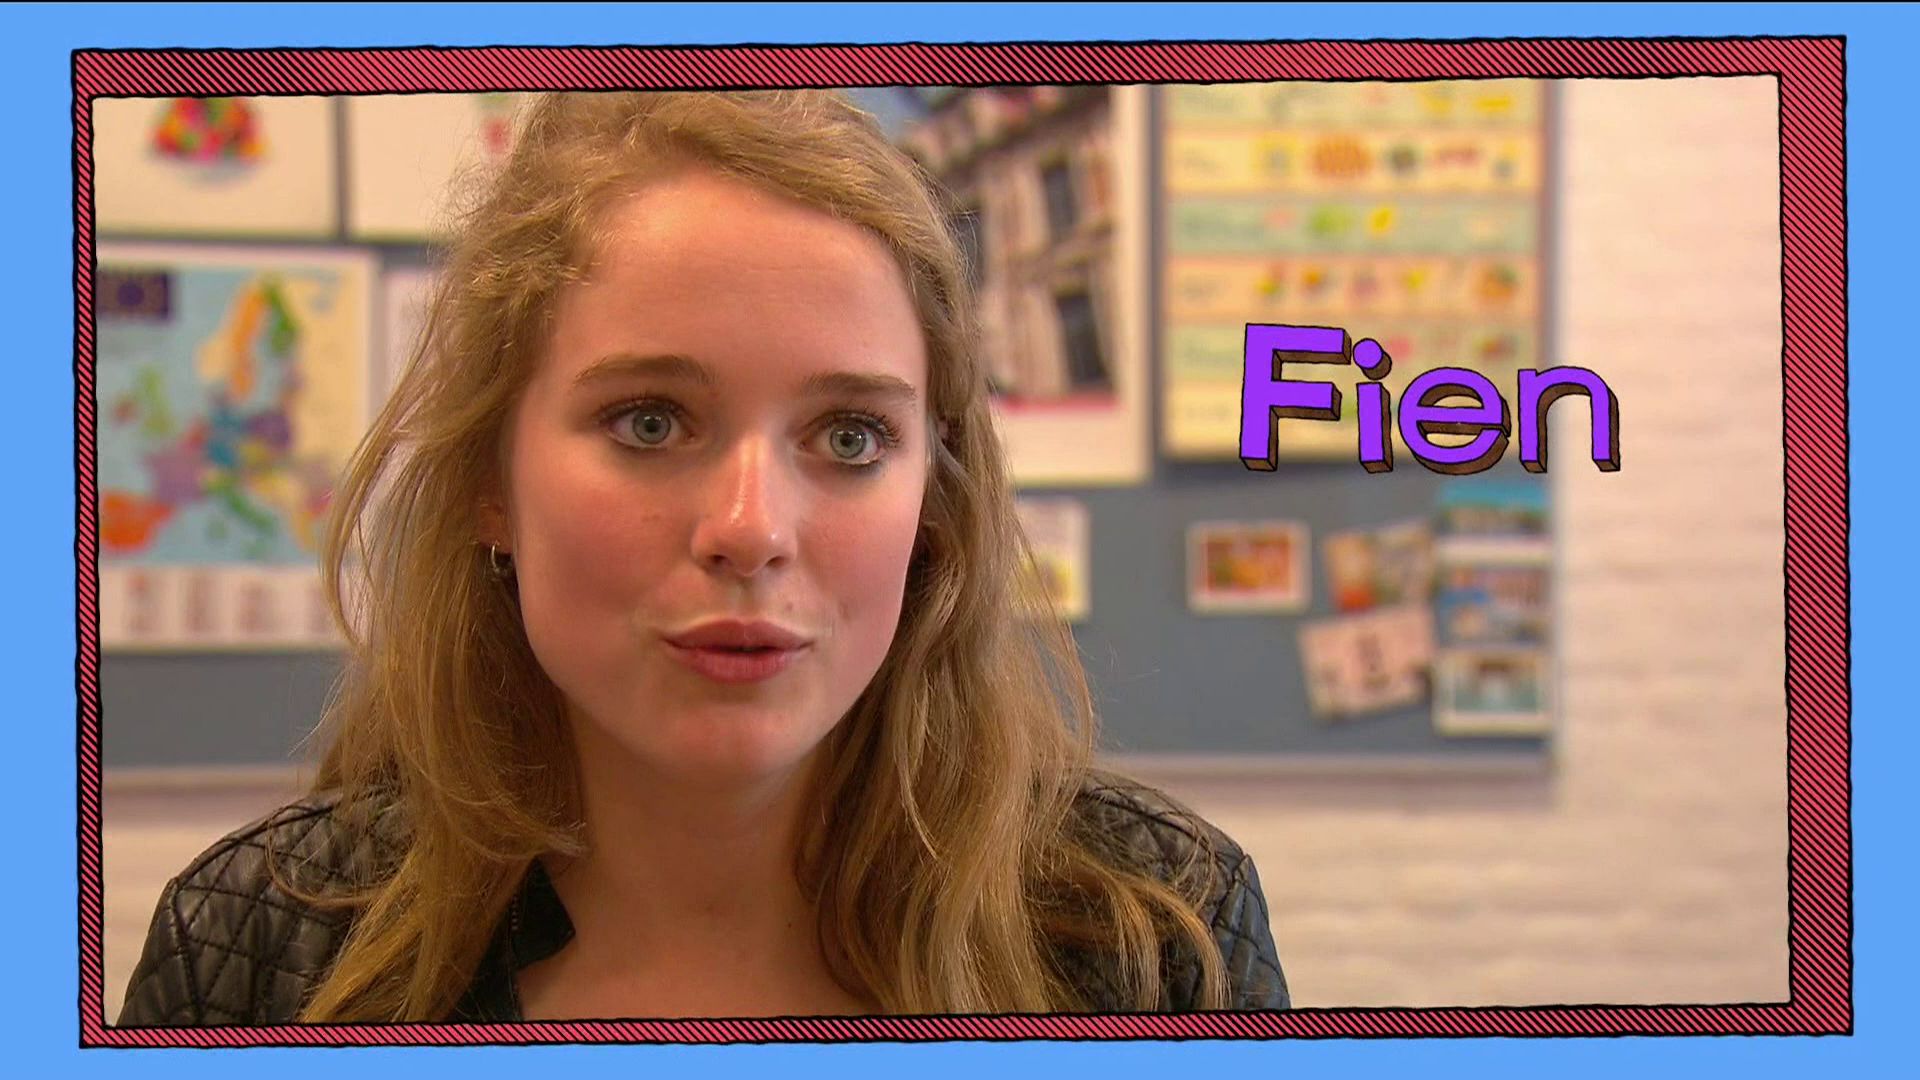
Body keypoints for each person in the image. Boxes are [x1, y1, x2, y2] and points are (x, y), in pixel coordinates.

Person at [116, 90, 1289, 1024]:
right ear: (491, 486)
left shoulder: (1154, 936)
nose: (752, 528)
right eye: (650, 422)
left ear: (934, 503)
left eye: (849, 436)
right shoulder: (258, 948)